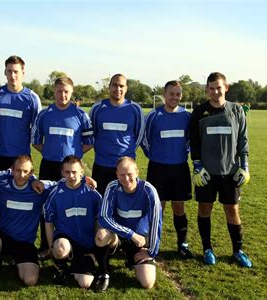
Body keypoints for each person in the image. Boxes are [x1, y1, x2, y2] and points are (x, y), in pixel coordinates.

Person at [189, 72, 252, 268]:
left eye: (219, 87)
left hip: (231, 172)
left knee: (232, 210)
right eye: (211, 88)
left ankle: (237, 251)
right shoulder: (199, 112)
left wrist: (245, 166)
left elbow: (243, 140)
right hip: (206, 173)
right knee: (205, 209)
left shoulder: (237, 111)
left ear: (226, 87)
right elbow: (194, 141)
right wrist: (197, 166)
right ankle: (207, 249)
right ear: (207, 89)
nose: (215, 91)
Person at [31, 76, 94, 258]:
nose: (62, 95)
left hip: (72, 169)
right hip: (49, 165)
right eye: (59, 91)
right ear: (54, 92)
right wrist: (51, 152)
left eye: (66, 91)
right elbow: (35, 141)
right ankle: (46, 246)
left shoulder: (81, 115)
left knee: (73, 203)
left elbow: (89, 142)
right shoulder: (44, 114)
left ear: (71, 92)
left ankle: (75, 243)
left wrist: (75, 157)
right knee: (46, 206)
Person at [0, 155, 56, 286]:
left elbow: (63, 184)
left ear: (32, 173)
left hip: (25, 243)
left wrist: (83, 179)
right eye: (18, 170)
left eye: (26, 171)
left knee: (30, 280)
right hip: (2, 238)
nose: (21, 175)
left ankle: (17, 261)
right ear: (11, 170)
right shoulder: (1, 186)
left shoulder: (39, 189)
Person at [141, 80, 193, 259]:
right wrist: (156, 156)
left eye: (178, 94)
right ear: (164, 94)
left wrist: (179, 154)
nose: (175, 97)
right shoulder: (153, 116)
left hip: (179, 168)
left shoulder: (187, 116)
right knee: (158, 207)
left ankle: (182, 244)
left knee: (179, 207)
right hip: (158, 168)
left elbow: (189, 140)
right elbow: (144, 140)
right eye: (172, 94)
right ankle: (153, 243)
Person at [95, 157, 162, 291]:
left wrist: (151, 252)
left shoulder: (148, 190)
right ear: (116, 174)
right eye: (122, 175)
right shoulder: (112, 187)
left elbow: (156, 222)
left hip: (140, 240)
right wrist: (130, 234)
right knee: (102, 234)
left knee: (147, 283)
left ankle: (131, 257)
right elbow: (103, 218)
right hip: (119, 237)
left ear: (137, 172)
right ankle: (104, 273)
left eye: (130, 174)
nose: (126, 179)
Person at [44, 155, 102, 289]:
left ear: (82, 172)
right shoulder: (56, 192)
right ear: (62, 173)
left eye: (74, 172)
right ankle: (61, 268)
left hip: (86, 243)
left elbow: (99, 218)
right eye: (67, 172)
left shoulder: (92, 192)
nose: (71, 176)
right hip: (65, 240)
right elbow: (48, 221)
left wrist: (96, 244)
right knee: (59, 248)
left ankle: (81, 261)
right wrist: (51, 247)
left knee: (85, 283)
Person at [89, 74, 145, 195]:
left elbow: (139, 135)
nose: (118, 89)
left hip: (126, 168)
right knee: (101, 202)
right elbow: (92, 133)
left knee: (124, 205)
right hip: (102, 164)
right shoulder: (97, 108)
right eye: (115, 85)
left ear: (126, 88)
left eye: (121, 86)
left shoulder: (135, 109)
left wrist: (127, 153)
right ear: (109, 87)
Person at [0, 55, 42, 171]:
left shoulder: (32, 98)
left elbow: (37, 129)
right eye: (9, 71)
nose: (12, 75)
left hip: (22, 157)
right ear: (5, 72)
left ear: (23, 72)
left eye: (16, 71)